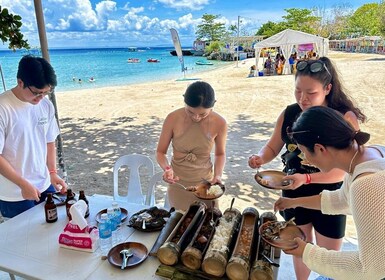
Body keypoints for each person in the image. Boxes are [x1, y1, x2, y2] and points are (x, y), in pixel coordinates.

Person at [248, 57, 366, 280]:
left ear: (328, 88)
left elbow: (344, 168)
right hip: (293, 187)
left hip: (332, 192)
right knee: (299, 244)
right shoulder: (291, 113)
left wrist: (307, 179)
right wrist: (260, 158)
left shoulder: (343, 118)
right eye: (297, 91)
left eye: (310, 93)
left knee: (329, 255)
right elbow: (274, 145)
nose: (302, 98)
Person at [274, 106, 385, 280]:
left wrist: (307, 252)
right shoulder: (367, 154)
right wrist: (293, 202)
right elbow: (341, 200)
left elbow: (371, 268)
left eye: (304, 153)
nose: (305, 159)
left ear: (319, 149)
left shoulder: (366, 184)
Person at [0, 55, 67, 219]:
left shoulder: (45, 104)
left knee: (54, 231)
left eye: (46, 92)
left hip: (44, 183)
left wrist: (52, 172)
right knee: (26, 242)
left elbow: (49, 141)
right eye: (37, 92)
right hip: (14, 192)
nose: (41, 97)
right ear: (20, 82)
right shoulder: (3, 108)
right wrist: (23, 184)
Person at [156, 81, 227, 211]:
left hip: (205, 184)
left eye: (202, 114)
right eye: (190, 111)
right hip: (178, 183)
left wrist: (218, 175)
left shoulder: (220, 123)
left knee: (208, 223)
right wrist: (166, 169)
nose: (196, 117)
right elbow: (160, 152)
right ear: (184, 101)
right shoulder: (172, 118)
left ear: (213, 106)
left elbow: (220, 154)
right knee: (178, 223)